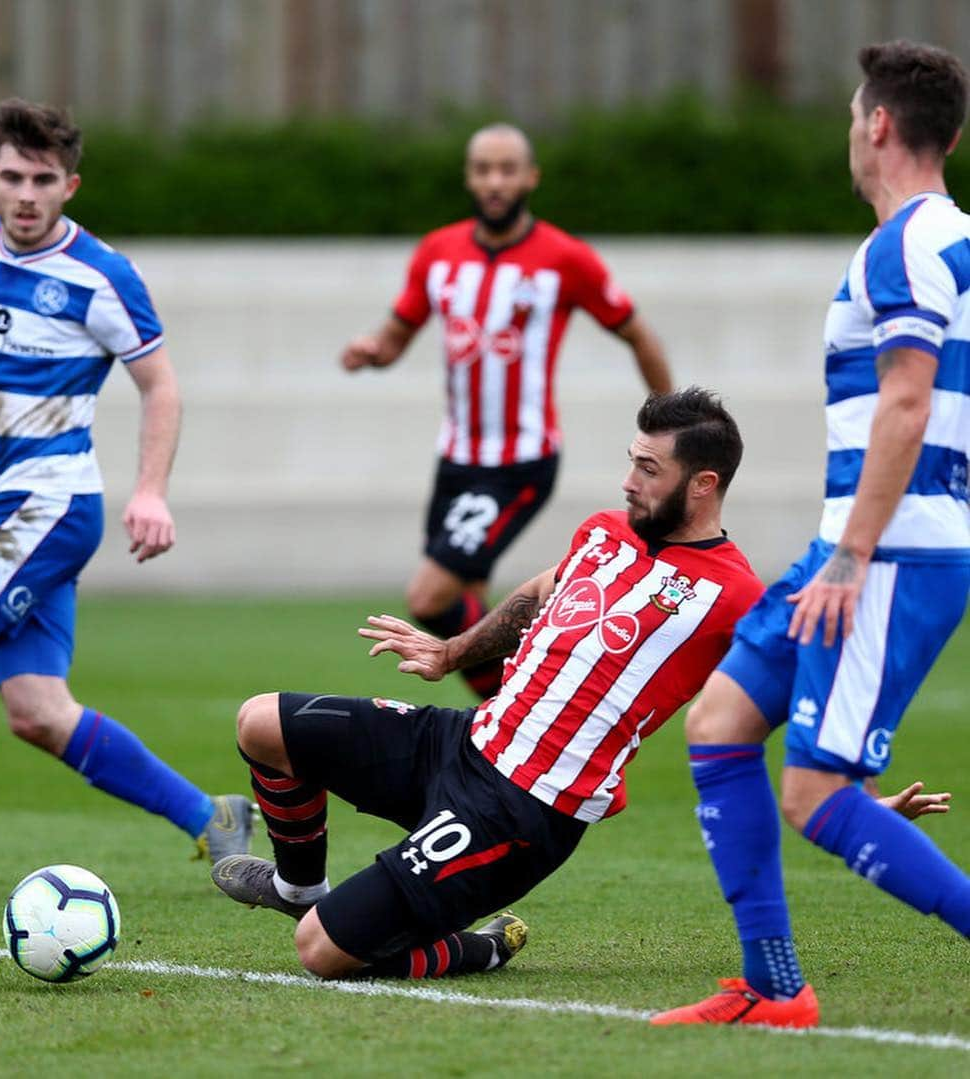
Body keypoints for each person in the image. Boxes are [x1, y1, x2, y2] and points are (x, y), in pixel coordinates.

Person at [209, 388, 764, 980]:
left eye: (649, 469)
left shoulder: (736, 597)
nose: (629, 481)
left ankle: (484, 948)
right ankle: (298, 887)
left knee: (319, 950)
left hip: (521, 809)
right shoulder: (604, 532)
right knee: (262, 723)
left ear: (703, 484)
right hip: (465, 740)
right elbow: (538, 594)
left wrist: (840, 790)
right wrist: (450, 652)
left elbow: (803, 682)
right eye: (632, 460)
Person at [651, 41, 970, 1029]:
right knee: (721, 722)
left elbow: (908, 404)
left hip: (884, 552)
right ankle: (775, 986)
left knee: (816, 788)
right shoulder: (948, 239)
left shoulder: (906, 245)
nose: (849, 133)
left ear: (878, 124)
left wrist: (853, 553)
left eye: (849, 117)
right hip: (867, 541)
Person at [0, 99, 252, 894]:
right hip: (14, 499)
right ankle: (212, 815)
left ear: (70, 186)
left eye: (43, 180)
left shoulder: (102, 275)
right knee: (38, 712)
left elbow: (160, 386)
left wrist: (151, 490)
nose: (26, 195)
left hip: (48, 501)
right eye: (12, 178)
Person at [340, 123, 672, 700]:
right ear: (469, 178)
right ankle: (510, 712)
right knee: (466, 600)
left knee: (428, 598)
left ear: (530, 178)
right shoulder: (438, 253)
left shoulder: (565, 259)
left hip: (518, 461)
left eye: (507, 169)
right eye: (483, 170)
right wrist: (372, 352)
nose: (495, 182)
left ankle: (532, 689)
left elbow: (637, 333)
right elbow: (397, 337)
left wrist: (669, 427)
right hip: (455, 460)